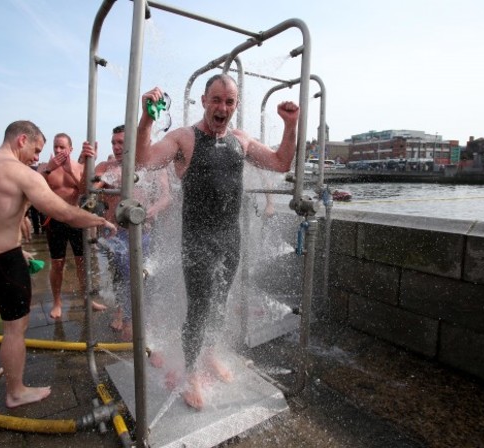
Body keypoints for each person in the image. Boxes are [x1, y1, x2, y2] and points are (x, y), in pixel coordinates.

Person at [136, 74, 299, 409]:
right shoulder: (185, 138)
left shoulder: (240, 141)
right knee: (197, 310)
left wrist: (290, 125)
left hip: (230, 240)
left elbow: (282, 162)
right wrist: (145, 121)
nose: (222, 107)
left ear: (235, 105)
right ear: (204, 101)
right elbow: (143, 161)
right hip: (197, 241)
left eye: (229, 102)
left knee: (219, 307)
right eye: (216, 100)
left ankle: (208, 355)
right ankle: (191, 372)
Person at [0, 120, 116, 408]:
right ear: (22, 140)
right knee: (14, 327)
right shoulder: (22, 174)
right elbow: (64, 213)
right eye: (36, 149)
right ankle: (16, 391)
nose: (36, 157)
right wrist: (99, 220)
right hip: (4, 259)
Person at [84, 125, 171, 341]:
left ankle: (140, 321)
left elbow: (166, 197)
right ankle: (126, 315)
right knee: (120, 279)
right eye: (113, 142)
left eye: (121, 142)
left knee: (143, 278)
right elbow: (87, 191)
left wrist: (151, 211)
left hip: (143, 232)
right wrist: (87, 165)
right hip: (114, 235)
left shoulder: (150, 167)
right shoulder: (107, 167)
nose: (116, 147)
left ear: (132, 143)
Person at [37, 133, 105, 319]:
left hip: (75, 218)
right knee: (57, 264)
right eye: (55, 147)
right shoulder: (45, 167)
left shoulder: (79, 167)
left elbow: (84, 190)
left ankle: (87, 299)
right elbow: (34, 187)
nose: (58, 151)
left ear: (71, 149)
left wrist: (71, 170)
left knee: (82, 263)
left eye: (62, 147)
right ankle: (57, 302)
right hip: (54, 220)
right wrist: (49, 170)